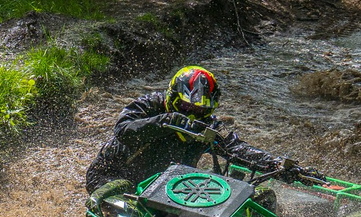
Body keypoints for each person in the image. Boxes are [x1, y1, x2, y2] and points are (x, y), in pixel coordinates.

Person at [83, 65, 296, 194]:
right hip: (111, 177)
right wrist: (167, 121)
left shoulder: (207, 126)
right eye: (187, 108)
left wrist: (276, 164)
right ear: (173, 98)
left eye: (200, 110)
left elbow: (236, 148)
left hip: (162, 189)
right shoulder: (148, 105)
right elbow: (123, 130)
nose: (192, 115)